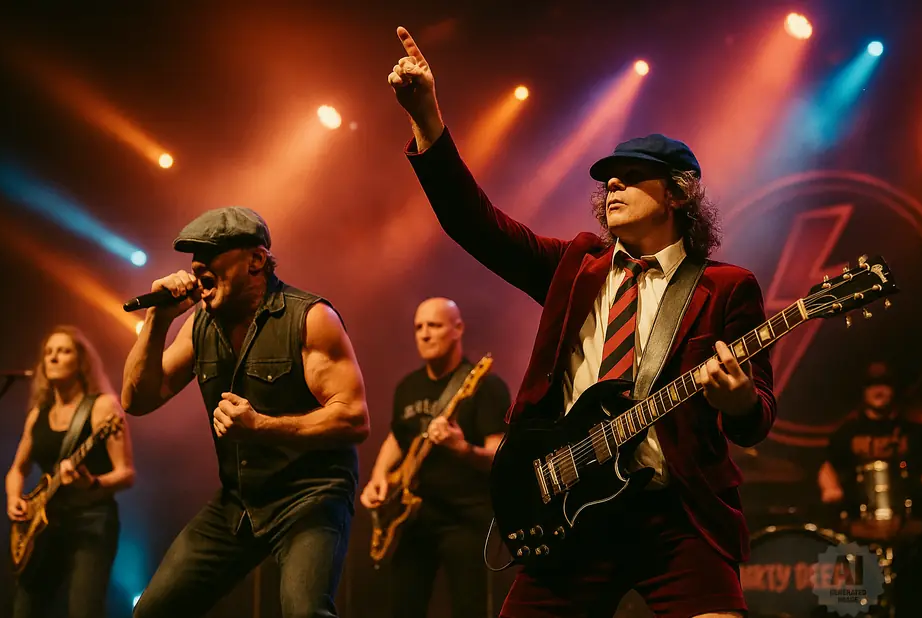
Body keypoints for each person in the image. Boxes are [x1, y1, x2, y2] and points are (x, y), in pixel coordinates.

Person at [387, 27, 777, 618]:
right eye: (607, 176)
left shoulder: (725, 286)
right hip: (569, 505)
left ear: (678, 193)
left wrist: (742, 399)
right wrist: (426, 117)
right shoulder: (576, 267)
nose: (611, 182)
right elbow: (475, 224)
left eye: (631, 172)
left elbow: (755, 420)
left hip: (676, 516)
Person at [122, 206, 370, 618]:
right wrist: (158, 320)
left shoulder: (309, 318)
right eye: (193, 256)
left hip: (309, 494)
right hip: (239, 500)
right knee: (152, 612)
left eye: (211, 252)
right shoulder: (199, 324)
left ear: (256, 260)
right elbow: (138, 399)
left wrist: (261, 427)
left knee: (305, 613)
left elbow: (353, 417)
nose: (198, 265)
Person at [360, 297, 512, 618]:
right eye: (418, 327)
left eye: (434, 325)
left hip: (467, 519)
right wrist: (378, 477)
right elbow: (397, 438)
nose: (425, 334)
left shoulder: (485, 385)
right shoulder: (408, 387)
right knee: (403, 606)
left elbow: (501, 456)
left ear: (458, 329)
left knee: (468, 608)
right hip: (414, 517)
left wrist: (463, 449)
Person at [6, 325, 135, 618]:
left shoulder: (103, 408)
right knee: (24, 610)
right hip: (43, 528)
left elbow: (126, 473)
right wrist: (14, 497)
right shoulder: (38, 413)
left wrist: (91, 484)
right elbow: (16, 469)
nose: (53, 358)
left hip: (91, 523)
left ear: (81, 361)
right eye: (48, 352)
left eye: (63, 351)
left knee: (83, 611)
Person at [818, 361, 922, 617]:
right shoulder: (848, 432)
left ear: (894, 390)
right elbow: (827, 466)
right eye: (872, 385)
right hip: (859, 526)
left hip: (908, 526)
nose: (879, 391)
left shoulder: (915, 432)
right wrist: (829, 487)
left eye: (885, 385)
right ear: (864, 392)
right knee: (850, 596)